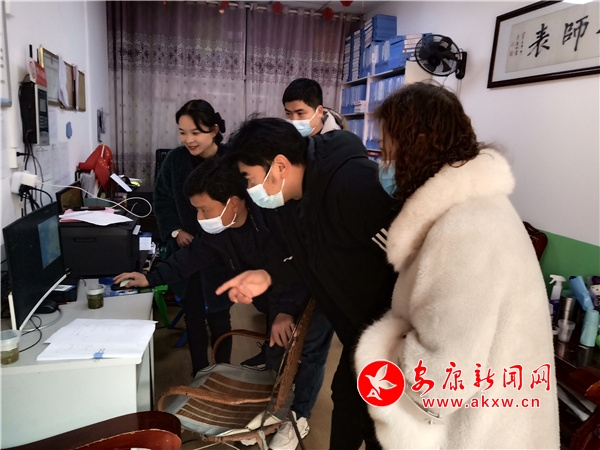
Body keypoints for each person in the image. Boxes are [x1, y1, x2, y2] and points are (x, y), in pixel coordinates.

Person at [354, 82, 560, 448]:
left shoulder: (464, 227)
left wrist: (385, 349)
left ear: (417, 144)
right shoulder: (479, 210)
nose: (385, 165)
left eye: (388, 151)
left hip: (480, 431)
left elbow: (440, 380)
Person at [115, 157, 327, 449]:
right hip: (277, 300)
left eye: (205, 209)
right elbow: (190, 257)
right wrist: (150, 277)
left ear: (233, 203)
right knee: (277, 355)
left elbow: (294, 270)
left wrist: (285, 312)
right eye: (197, 210)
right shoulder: (220, 231)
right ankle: (275, 413)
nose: (200, 217)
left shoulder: (272, 222)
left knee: (310, 354)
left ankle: (299, 416)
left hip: (315, 292)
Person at [216, 117, 398, 449]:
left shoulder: (352, 184)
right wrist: (269, 276)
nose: (249, 189)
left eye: (249, 178)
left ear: (279, 166)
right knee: (347, 400)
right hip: (357, 326)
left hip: (390, 329)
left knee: (380, 418)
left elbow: (404, 257)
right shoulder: (293, 199)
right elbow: (305, 258)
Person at [153, 99, 232, 375]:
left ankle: (222, 374)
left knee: (220, 317)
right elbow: (161, 199)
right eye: (182, 132)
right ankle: (199, 374)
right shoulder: (175, 160)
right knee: (194, 316)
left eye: (196, 132)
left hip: (222, 254)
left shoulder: (231, 160)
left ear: (214, 130)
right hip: (188, 251)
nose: (189, 140)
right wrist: (176, 231)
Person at [282, 77, 348, 137]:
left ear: (319, 111)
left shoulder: (339, 142)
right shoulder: (285, 139)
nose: (294, 120)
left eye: (300, 113)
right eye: (288, 113)